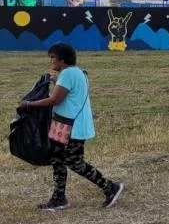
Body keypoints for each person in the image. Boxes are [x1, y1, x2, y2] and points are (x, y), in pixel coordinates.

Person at [17, 42, 124, 210]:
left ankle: (110, 187)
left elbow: (55, 100)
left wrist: (29, 104)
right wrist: (55, 80)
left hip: (71, 127)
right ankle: (59, 198)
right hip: (65, 124)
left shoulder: (67, 74)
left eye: (53, 57)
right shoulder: (76, 72)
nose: (50, 61)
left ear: (62, 59)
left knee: (74, 161)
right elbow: (67, 91)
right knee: (57, 159)